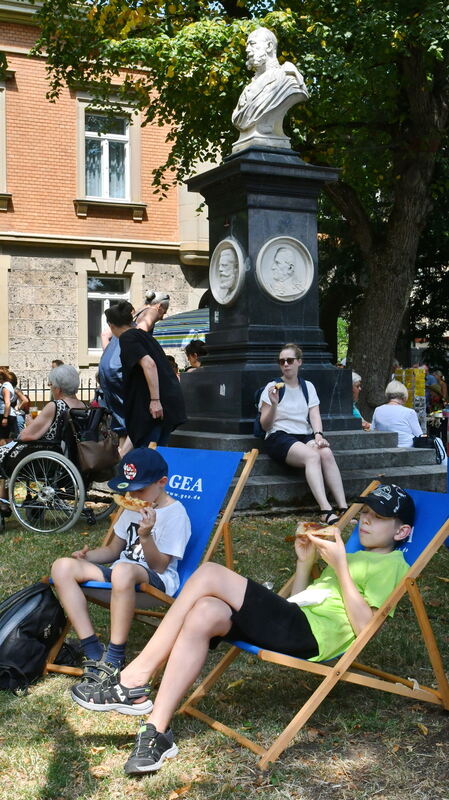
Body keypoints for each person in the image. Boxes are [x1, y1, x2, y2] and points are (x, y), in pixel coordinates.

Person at [70, 482, 413, 775]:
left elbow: (366, 627)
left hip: (312, 638)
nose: (366, 520)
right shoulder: (350, 555)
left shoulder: (392, 564)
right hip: (295, 625)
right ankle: (157, 730)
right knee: (205, 611)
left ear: (401, 532)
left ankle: (133, 679)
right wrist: (305, 563)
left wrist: (339, 567)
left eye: (378, 518)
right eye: (365, 513)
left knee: (209, 573)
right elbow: (299, 603)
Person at [51, 448, 191, 675]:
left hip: (155, 582)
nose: (133, 497)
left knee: (124, 571)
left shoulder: (176, 514)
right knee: (62, 566)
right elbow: (114, 550)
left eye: (140, 490)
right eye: (129, 491)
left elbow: (160, 566)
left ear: (162, 482)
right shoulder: (132, 507)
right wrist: (88, 557)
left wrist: (145, 536)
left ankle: (115, 657)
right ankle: (92, 649)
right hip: (120, 576)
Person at [259, 343, 347, 524]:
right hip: (278, 436)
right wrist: (274, 403)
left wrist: (318, 435)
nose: (285, 364)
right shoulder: (273, 387)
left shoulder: (308, 387)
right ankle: (325, 510)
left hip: (303, 434)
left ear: (299, 362)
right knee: (312, 456)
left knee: (326, 453)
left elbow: (314, 414)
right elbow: (265, 425)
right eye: (281, 361)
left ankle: (343, 507)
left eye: (290, 360)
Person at [105, 301, 186, 448]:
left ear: (111, 326)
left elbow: (149, 364)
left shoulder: (127, 338)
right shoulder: (142, 335)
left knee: (147, 456)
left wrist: (155, 400)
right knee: (158, 453)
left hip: (151, 411)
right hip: (168, 407)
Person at [232, 28, 308, 139]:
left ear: (269, 46)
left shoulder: (288, 79)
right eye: (247, 46)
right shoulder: (249, 87)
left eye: (252, 44)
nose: (247, 50)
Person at [371, 380, 423, 447]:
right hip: (407, 449)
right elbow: (419, 435)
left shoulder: (378, 410)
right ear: (404, 396)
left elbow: (373, 430)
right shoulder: (409, 412)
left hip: (385, 448)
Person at [0, 368, 19, 443]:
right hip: (7, 414)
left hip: (4, 414)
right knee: (6, 438)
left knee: (2, 438)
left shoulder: (5, 387)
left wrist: (5, 418)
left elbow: (7, 403)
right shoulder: (7, 386)